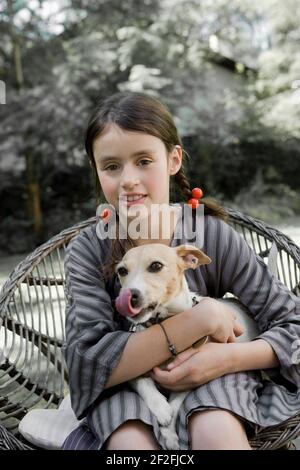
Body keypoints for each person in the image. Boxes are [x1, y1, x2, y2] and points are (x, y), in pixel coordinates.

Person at [61, 91, 300, 450]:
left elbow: (292, 325)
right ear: (96, 169)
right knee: (130, 442)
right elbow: (85, 364)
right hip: (126, 384)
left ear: (173, 160)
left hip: (217, 368)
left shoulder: (210, 236)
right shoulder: (89, 250)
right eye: (111, 166)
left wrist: (227, 358)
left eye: (144, 160)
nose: (128, 179)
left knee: (215, 429)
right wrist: (198, 320)